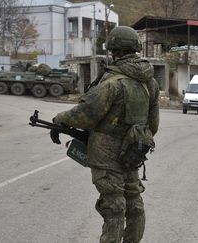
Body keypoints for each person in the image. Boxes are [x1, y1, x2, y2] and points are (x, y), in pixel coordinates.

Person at [51, 26, 160, 243]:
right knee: (134, 204)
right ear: (136, 49)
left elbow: (85, 115)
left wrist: (59, 119)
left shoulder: (112, 83)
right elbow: (153, 125)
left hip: (106, 156)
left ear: (113, 51)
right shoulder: (150, 82)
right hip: (131, 153)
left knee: (114, 207)